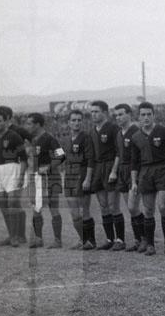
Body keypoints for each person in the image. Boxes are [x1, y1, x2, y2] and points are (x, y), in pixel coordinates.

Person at [130, 101, 165, 255]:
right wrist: (134, 182)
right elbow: (134, 162)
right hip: (145, 172)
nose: (146, 117)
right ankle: (150, 244)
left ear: (154, 115)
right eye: (143, 115)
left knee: (162, 207)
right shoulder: (135, 137)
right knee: (148, 210)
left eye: (149, 114)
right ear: (139, 117)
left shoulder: (163, 131)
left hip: (163, 169)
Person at [25, 113, 66, 248]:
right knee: (36, 208)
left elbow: (61, 156)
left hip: (51, 177)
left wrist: (48, 167)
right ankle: (38, 239)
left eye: (29, 123)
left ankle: (58, 240)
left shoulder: (50, 138)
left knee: (53, 207)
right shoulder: (34, 139)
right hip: (37, 178)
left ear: (37, 124)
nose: (27, 126)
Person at [0, 108, 28, 247]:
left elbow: (24, 159)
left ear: (6, 121)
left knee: (12, 203)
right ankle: (13, 235)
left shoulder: (14, 136)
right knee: (2, 204)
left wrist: (21, 176)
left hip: (13, 169)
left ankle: (16, 237)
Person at [108, 104, 144, 252]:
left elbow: (142, 153)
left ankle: (145, 239)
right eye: (116, 115)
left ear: (129, 114)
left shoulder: (136, 131)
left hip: (134, 170)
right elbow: (118, 154)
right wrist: (114, 171)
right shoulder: (119, 133)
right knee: (131, 209)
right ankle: (137, 240)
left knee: (132, 207)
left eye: (121, 114)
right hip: (122, 171)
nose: (118, 117)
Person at [87, 100, 119, 250]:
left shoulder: (113, 128)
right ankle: (109, 239)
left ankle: (120, 239)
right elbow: (91, 156)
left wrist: (114, 170)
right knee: (103, 206)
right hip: (98, 169)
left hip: (110, 166)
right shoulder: (92, 131)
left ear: (105, 113)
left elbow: (119, 152)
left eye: (96, 111)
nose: (93, 114)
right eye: (92, 112)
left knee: (113, 206)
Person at [61, 110, 94, 249]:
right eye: (73, 120)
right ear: (68, 122)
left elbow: (91, 160)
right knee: (74, 213)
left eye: (79, 120)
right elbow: (60, 156)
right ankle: (83, 239)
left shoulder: (86, 138)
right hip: (69, 176)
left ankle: (90, 241)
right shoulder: (65, 139)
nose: (76, 123)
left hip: (82, 174)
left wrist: (88, 179)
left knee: (84, 210)